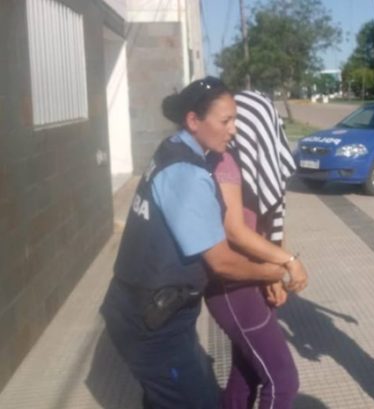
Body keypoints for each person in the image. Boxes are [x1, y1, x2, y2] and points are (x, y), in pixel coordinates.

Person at [100, 77, 286, 409]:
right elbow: (221, 262)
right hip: (152, 324)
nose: (233, 130)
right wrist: (274, 270)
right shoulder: (187, 174)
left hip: (151, 311)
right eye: (225, 121)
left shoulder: (173, 147)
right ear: (193, 120)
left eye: (235, 120)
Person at [204, 90, 307, 409]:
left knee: (246, 373)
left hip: (251, 278)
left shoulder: (251, 166)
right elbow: (235, 232)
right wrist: (287, 262)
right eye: (229, 120)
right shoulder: (225, 163)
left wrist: (272, 275)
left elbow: (270, 218)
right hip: (232, 286)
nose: (233, 128)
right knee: (283, 380)